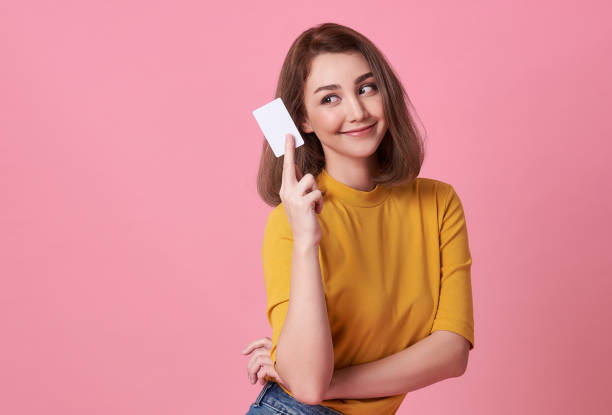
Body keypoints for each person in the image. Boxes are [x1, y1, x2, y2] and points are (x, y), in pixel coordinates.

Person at [243, 22, 474, 415]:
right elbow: (308, 387)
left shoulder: (439, 203)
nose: (357, 111)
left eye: (366, 88)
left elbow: (452, 351)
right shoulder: (291, 222)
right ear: (304, 120)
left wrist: (327, 380)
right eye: (330, 99)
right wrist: (305, 239)